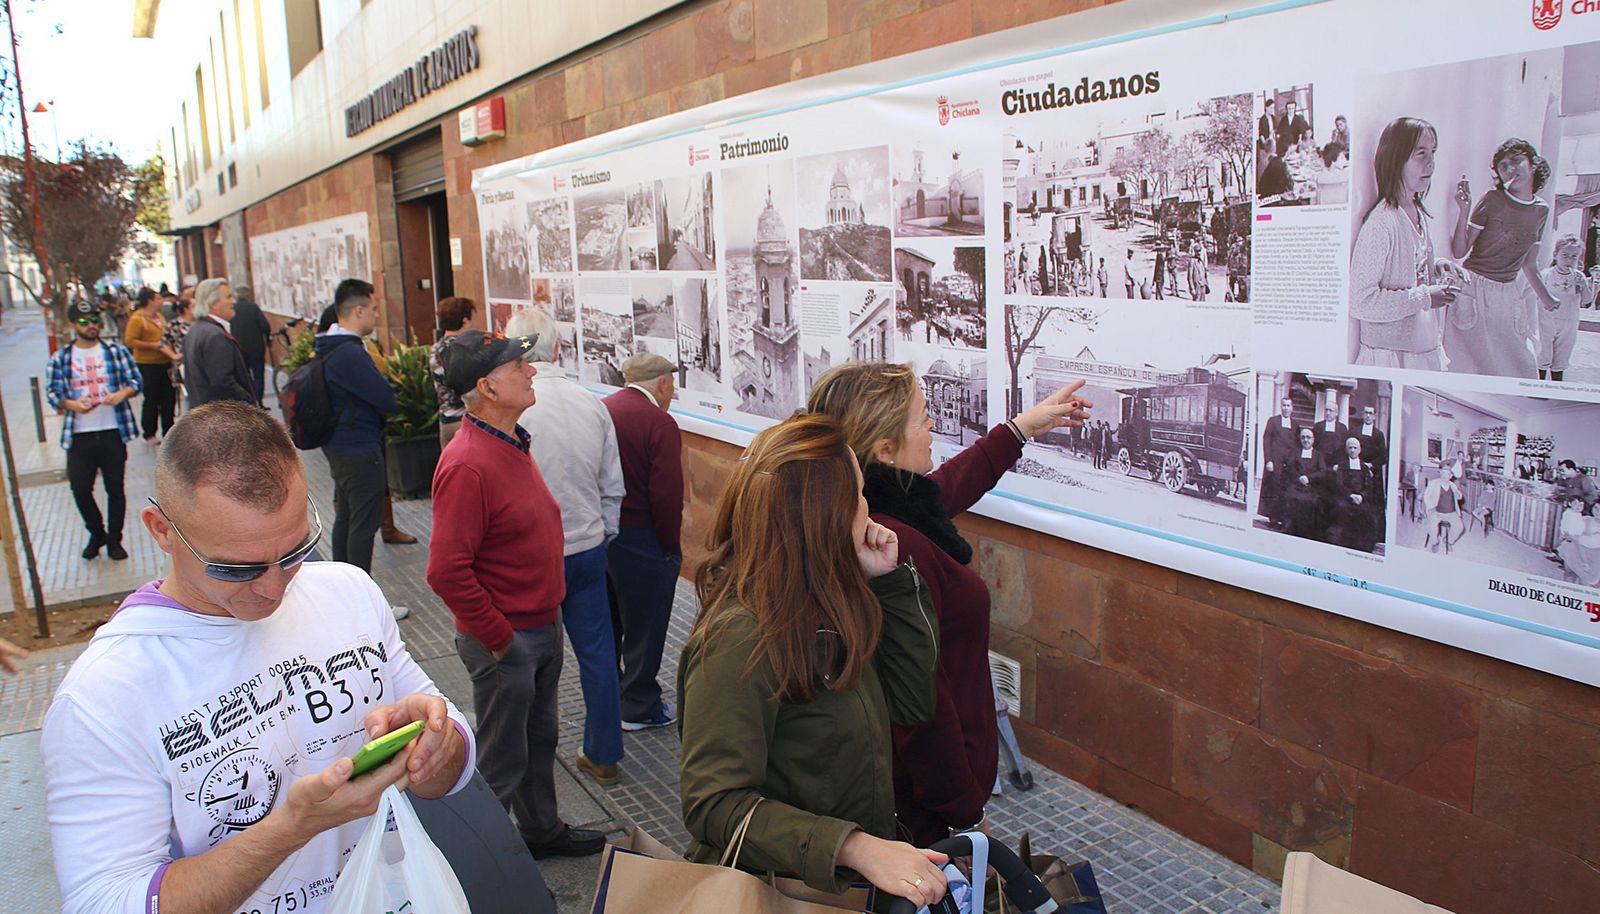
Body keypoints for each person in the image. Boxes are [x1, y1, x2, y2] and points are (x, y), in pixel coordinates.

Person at [41, 402, 473, 914]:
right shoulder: (104, 695)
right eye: (233, 567)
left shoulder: (348, 591)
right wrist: (293, 827)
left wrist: (437, 746)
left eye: (294, 552)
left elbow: (457, 754)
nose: (272, 589)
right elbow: (103, 902)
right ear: (161, 530)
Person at [807, 361, 1090, 846]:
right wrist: (963, 816)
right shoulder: (891, 549)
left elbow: (940, 491)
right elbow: (920, 709)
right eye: (923, 416)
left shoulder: (864, 506)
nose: (934, 423)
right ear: (885, 449)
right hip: (919, 815)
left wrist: (1021, 429)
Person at [678, 413, 948, 907]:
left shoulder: (832, 600)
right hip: (782, 892)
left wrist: (889, 583)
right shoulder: (742, 636)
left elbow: (911, 703)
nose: (869, 509)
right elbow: (713, 803)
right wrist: (853, 846)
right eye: (860, 494)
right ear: (823, 516)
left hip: (839, 885)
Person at [428, 329, 606, 859]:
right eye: (518, 367)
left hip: (537, 626)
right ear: (486, 386)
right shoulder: (467, 463)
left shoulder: (510, 442)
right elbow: (445, 571)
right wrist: (500, 639)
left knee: (537, 741)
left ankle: (541, 831)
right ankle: (481, 866)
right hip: (509, 637)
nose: (531, 372)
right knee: (503, 758)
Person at [507, 308, 628, 786]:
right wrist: (603, 532)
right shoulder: (590, 402)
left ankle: (528, 762)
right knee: (597, 652)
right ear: (558, 348)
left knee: (527, 658)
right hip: (587, 545)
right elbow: (611, 483)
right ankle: (604, 753)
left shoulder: (515, 410)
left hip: (532, 555)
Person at [603, 353, 684, 732]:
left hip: (603, 535)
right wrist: (669, 547)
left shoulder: (602, 410)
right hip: (643, 537)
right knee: (646, 626)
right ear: (663, 384)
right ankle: (639, 706)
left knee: (611, 622)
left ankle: (610, 696)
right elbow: (665, 494)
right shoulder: (659, 422)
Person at [1350, 117, 1461, 369]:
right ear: (1396, 159)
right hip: (1392, 361)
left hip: (1423, 351)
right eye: (1421, 153)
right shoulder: (1382, 223)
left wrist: (1438, 266)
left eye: (1433, 152)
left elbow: (1408, 269)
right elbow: (1361, 302)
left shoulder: (1417, 210)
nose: (1431, 162)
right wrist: (1424, 297)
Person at [1446, 137, 1558, 378]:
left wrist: (1547, 299)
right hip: (1472, 288)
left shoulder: (1542, 210)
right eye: (1504, 166)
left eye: (1517, 161)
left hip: (1507, 294)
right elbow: (1459, 252)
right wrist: (1464, 210)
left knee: (1519, 364)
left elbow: (1529, 264)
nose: (1511, 169)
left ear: (1534, 164)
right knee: (1467, 365)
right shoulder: (1492, 200)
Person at [314, 279, 400, 580]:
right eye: (374, 309)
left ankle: (343, 588)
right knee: (363, 524)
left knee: (348, 518)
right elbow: (386, 398)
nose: (377, 316)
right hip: (358, 448)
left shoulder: (327, 346)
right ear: (359, 310)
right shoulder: (349, 353)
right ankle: (359, 597)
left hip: (340, 445)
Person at [45, 300, 143, 560]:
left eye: (95, 321)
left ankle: (114, 541)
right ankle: (97, 532)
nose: (91, 326)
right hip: (79, 434)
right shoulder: (62, 358)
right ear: (74, 325)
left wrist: (121, 394)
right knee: (79, 488)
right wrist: (71, 404)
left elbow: (135, 380)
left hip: (112, 431)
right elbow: (52, 393)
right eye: (85, 322)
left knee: (115, 488)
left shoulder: (115, 351)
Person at [183, 278, 256, 407]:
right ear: (213, 304)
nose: (233, 301)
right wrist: (247, 401)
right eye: (228, 297)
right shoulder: (215, 336)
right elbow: (223, 382)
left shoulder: (195, 329)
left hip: (205, 414)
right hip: (223, 417)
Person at [1537, 234, 1598, 381]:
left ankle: (1557, 384)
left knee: (1562, 353)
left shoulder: (1578, 277)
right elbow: (1535, 295)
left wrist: (1584, 286)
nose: (1569, 260)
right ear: (1556, 255)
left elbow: (1587, 300)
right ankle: (1539, 384)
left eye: (1574, 256)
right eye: (1565, 255)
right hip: (1546, 320)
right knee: (1543, 352)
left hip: (1568, 321)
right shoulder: (1546, 275)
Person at [122, 288, 175, 444]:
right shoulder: (137, 319)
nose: (161, 301)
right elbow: (130, 341)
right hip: (147, 364)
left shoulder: (159, 316)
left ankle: (169, 431)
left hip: (165, 362)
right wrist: (152, 345)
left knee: (168, 397)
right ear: (150, 301)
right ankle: (149, 431)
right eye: (158, 299)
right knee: (152, 398)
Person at [431, 296, 477, 446]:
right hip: (466, 421)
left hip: (445, 421)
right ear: (464, 321)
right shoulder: (465, 348)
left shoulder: (435, 349)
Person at [1328, 437, 1380, 552]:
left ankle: (1361, 546)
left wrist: (1361, 496)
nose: (1352, 450)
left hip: (1361, 499)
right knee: (1341, 510)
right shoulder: (1341, 466)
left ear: (1359, 450)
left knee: (1367, 514)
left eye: (1355, 448)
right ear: (1346, 450)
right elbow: (1338, 484)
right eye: (1350, 448)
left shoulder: (1364, 467)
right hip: (1345, 498)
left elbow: (1369, 486)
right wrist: (1350, 495)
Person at [232, 284, 274, 404]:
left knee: (244, 375)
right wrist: (268, 338)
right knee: (258, 375)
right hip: (256, 347)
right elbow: (264, 325)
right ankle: (259, 400)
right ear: (248, 294)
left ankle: (248, 400)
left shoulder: (232, 309)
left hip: (239, 348)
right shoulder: (253, 308)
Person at [1280, 427, 1324, 539]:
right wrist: (1299, 478)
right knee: (1290, 497)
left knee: (1313, 502)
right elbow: (1289, 468)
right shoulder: (1295, 453)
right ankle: (1289, 529)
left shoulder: (1318, 455)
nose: (1306, 440)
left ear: (1313, 440)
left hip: (1311, 487)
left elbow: (1323, 472)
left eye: (1308, 437)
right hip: (1296, 485)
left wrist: (1309, 478)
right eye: (1303, 437)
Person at [1260, 397, 1298, 526]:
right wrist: (1268, 460)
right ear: (1281, 407)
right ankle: (1273, 518)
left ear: (1292, 408)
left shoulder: (1296, 425)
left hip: (1288, 464)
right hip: (1274, 462)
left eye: (1288, 406)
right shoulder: (1273, 421)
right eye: (1284, 405)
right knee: (1273, 490)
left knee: (1285, 490)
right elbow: (1266, 441)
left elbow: (1297, 445)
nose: (1286, 408)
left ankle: (1282, 518)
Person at [1422, 462, 1465, 553]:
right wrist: (1431, 507)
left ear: (1450, 476)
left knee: (1460, 527)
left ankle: (1449, 541)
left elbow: (1460, 497)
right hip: (1437, 511)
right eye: (1444, 473)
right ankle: (1435, 542)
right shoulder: (1433, 483)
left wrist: (1457, 493)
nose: (1445, 475)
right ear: (1440, 473)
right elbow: (1426, 496)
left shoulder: (1453, 485)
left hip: (1451, 512)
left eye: (1448, 474)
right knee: (1432, 526)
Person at [161, 292, 194, 401]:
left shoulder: (198, 323)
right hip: (183, 365)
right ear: (186, 309)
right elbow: (163, 343)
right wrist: (174, 356)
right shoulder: (175, 325)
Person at [1353, 404, 1388, 491]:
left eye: (1370, 413)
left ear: (1374, 417)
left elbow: (1383, 456)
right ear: (1362, 415)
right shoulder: (1354, 431)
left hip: (1373, 471)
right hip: (1357, 467)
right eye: (1366, 413)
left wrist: (1371, 465)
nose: (1368, 416)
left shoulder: (1378, 434)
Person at [1312, 402, 1349, 469]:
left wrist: (1339, 463)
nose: (1327, 413)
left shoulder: (1342, 428)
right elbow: (1314, 445)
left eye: (1330, 410)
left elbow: (1344, 448)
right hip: (1319, 462)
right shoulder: (1318, 426)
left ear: (1336, 413)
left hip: (1335, 464)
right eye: (1326, 410)